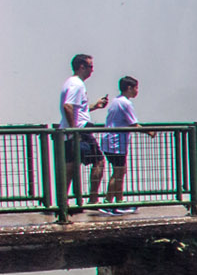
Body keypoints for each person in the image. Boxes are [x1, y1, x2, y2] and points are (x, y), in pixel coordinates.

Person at [56, 53, 110, 212]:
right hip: (80, 129)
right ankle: (93, 200)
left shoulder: (70, 83)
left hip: (71, 129)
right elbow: (68, 106)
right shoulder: (77, 84)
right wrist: (75, 130)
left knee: (70, 165)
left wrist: (95, 106)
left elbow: (77, 108)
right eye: (90, 67)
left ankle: (62, 202)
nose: (92, 70)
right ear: (81, 67)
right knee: (99, 161)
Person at [98, 76, 144, 214]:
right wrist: (150, 132)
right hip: (116, 143)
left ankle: (119, 202)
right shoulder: (125, 103)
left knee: (120, 171)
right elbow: (134, 124)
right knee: (118, 172)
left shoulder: (115, 101)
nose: (137, 91)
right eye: (136, 88)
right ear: (129, 88)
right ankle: (108, 203)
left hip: (110, 141)